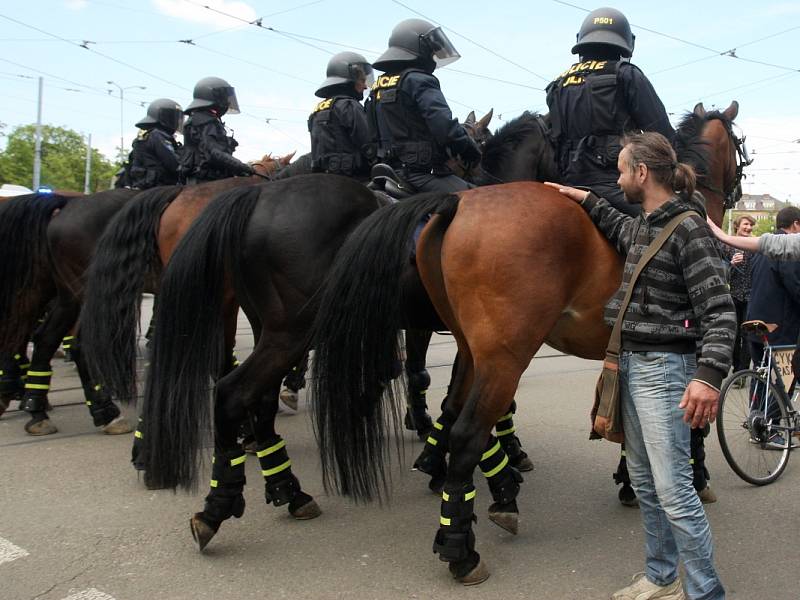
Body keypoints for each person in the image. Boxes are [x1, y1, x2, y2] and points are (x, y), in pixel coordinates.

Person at [546, 131, 733, 600]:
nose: (618, 177)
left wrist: (707, 378)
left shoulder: (689, 227)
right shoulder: (647, 224)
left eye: (622, 169)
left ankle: (706, 593)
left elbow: (720, 309)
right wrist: (583, 197)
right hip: (630, 365)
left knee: (674, 491)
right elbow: (617, 225)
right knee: (647, 485)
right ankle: (662, 576)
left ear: (642, 173)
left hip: (665, 371)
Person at [546, 7, 674, 217]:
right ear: (626, 43)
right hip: (616, 185)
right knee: (673, 226)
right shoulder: (626, 75)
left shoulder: (558, 84)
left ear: (581, 41)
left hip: (567, 183)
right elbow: (663, 136)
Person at [368, 18, 481, 193]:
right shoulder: (419, 79)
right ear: (419, 46)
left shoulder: (376, 88)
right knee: (478, 201)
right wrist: (468, 147)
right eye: (431, 49)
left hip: (388, 171)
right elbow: (444, 127)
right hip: (422, 174)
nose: (433, 56)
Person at [742, 208, 800, 419]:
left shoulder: (761, 247)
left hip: (754, 319)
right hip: (780, 323)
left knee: (759, 372)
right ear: (795, 224)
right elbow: (794, 284)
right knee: (787, 374)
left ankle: (756, 420)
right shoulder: (786, 248)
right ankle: (772, 426)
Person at [308, 51, 374, 180]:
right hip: (356, 179)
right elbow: (368, 144)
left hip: (323, 178)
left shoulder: (317, 110)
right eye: (362, 80)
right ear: (350, 80)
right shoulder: (349, 105)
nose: (365, 86)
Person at [179, 76, 254, 184]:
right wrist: (243, 167)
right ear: (214, 96)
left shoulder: (197, 118)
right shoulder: (205, 120)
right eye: (225, 97)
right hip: (207, 180)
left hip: (198, 179)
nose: (227, 102)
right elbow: (215, 153)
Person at [124, 98, 183, 189]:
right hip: (158, 186)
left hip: (145, 183)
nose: (177, 121)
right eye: (174, 117)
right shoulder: (157, 135)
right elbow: (173, 163)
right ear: (165, 117)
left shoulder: (148, 133)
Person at [723, 215, 756, 372]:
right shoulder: (727, 246)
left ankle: (743, 370)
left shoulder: (755, 246)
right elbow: (721, 274)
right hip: (734, 296)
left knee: (747, 335)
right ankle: (736, 369)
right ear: (737, 226)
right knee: (734, 335)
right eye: (746, 224)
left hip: (751, 297)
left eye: (750, 225)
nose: (748, 227)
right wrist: (730, 264)